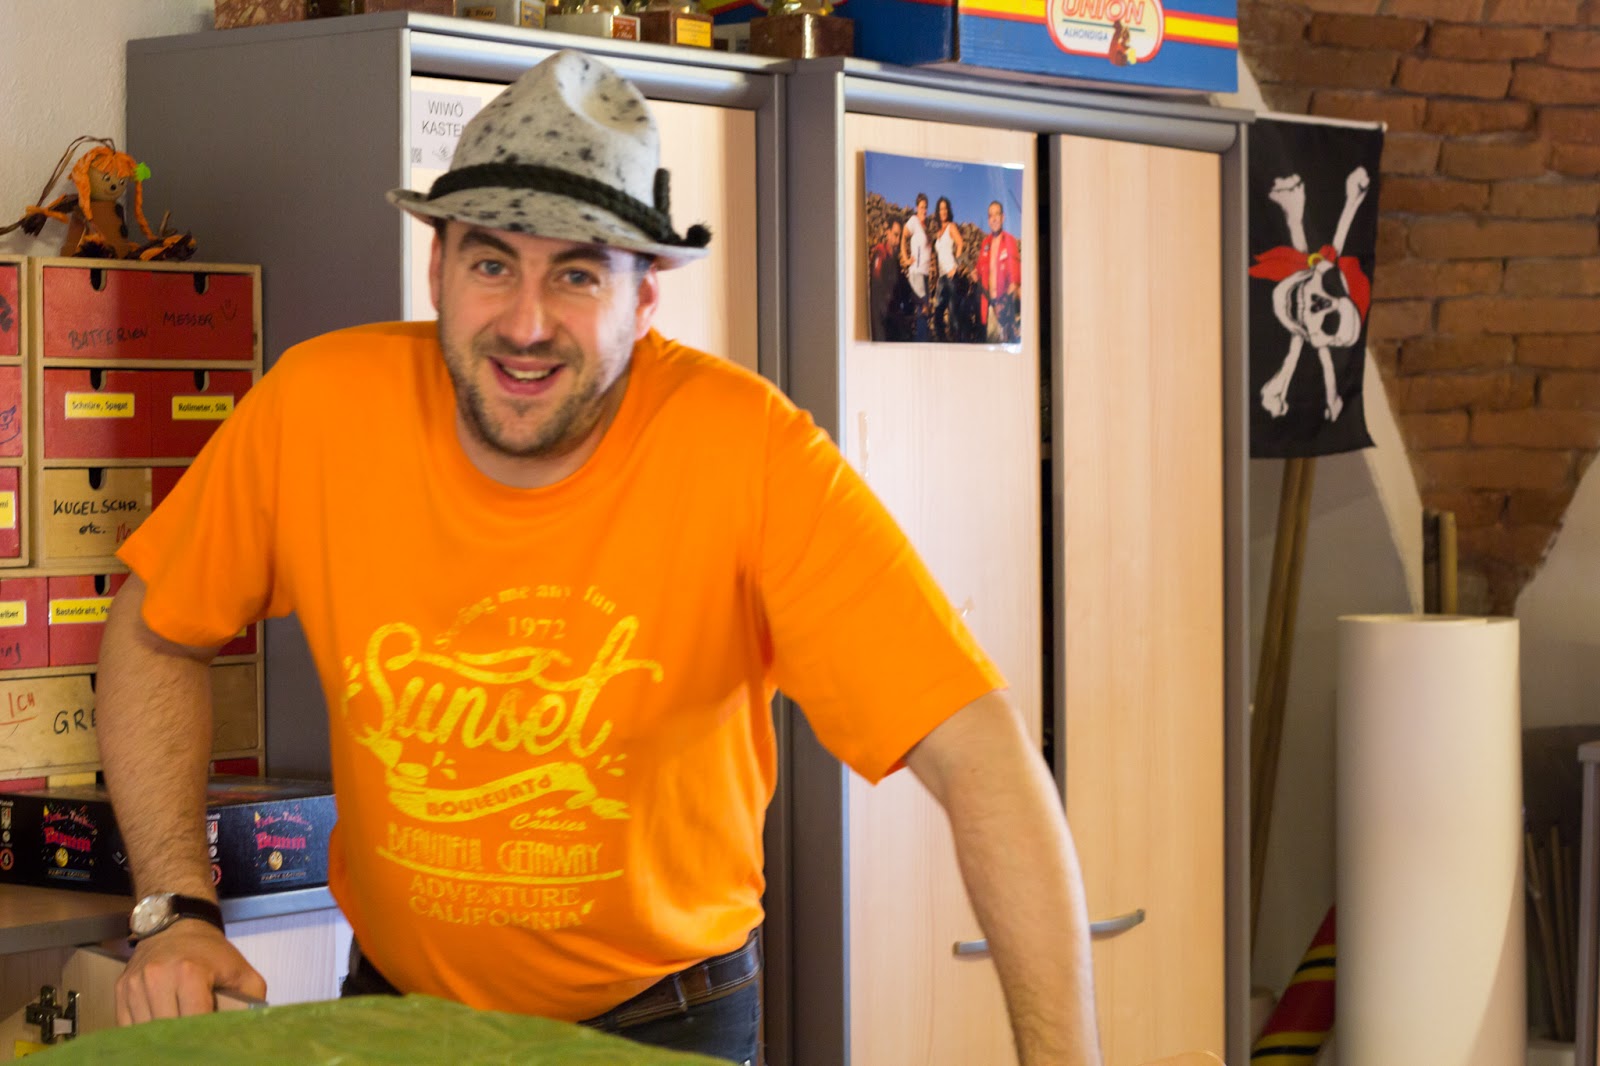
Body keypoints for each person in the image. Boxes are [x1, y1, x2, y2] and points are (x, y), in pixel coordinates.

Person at [95, 50, 1102, 1066]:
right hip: (398, 1011)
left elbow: (979, 755)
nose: (526, 324)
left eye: (577, 273)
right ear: (437, 268)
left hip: (663, 1021)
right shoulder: (319, 408)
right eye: (492, 263)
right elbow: (153, 627)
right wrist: (175, 906)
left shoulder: (748, 451)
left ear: (645, 295)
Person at [977, 199, 1022, 344]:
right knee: (991, 346)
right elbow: (979, 271)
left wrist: (1004, 304)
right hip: (990, 308)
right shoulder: (985, 244)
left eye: (997, 214)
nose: (994, 219)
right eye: (991, 215)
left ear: (1003, 217)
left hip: (1006, 308)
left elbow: (1015, 278)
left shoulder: (1009, 241)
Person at [868, 215, 914, 341]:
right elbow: (876, 283)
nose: (898, 241)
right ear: (887, 233)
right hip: (882, 317)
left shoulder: (894, 260)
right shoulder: (881, 253)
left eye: (899, 236)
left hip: (892, 316)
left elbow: (903, 284)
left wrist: (917, 299)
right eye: (895, 235)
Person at [899, 192, 935, 342]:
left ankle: (916, 339)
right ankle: (921, 342)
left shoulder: (925, 228)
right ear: (916, 208)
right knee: (922, 309)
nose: (924, 210)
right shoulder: (913, 221)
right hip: (917, 272)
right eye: (921, 207)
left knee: (923, 310)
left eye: (925, 207)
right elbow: (903, 236)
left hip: (925, 274)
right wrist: (906, 259)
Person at [929, 195, 965, 342]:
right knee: (937, 314)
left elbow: (960, 243)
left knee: (953, 314)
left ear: (948, 211)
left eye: (945, 209)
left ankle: (957, 344)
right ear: (938, 212)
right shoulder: (938, 233)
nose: (943, 212)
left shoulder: (951, 226)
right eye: (940, 209)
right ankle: (944, 342)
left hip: (951, 276)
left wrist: (955, 267)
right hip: (941, 278)